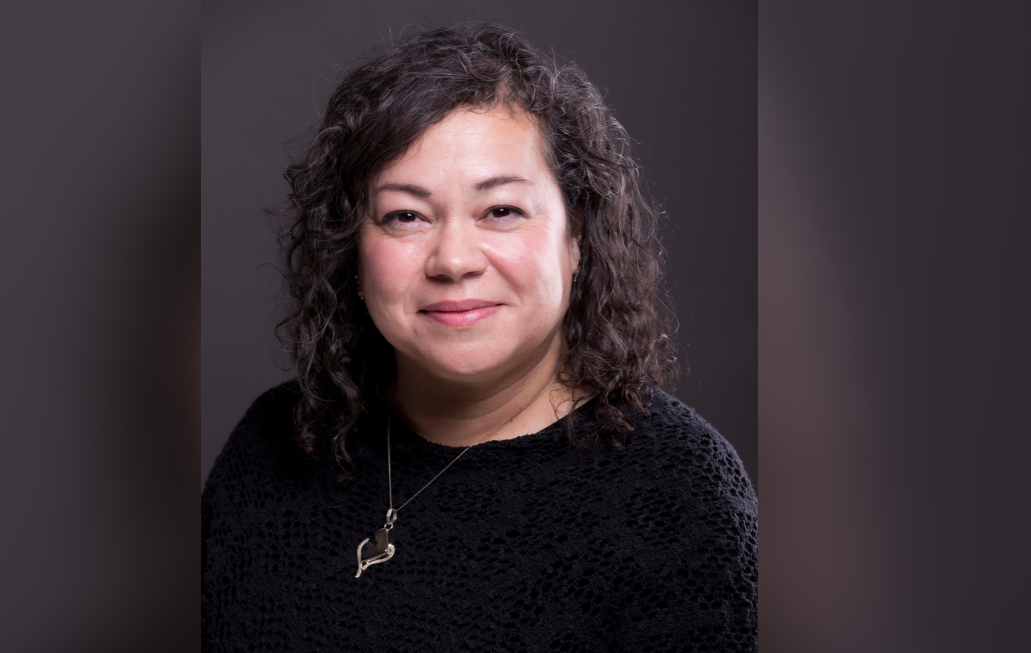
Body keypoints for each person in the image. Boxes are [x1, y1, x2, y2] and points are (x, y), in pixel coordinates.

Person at [202, 23, 757, 651]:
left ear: (578, 238)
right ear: (352, 250)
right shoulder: (271, 440)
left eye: (500, 211)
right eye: (406, 216)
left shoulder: (681, 494)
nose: (454, 260)